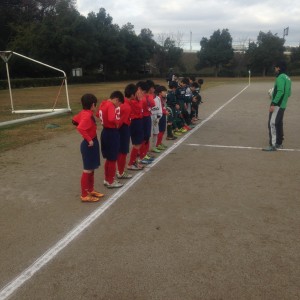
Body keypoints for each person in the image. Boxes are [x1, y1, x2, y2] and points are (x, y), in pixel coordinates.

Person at [72, 94, 104, 202]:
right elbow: (80, 128)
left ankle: (90, 189)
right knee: (87, 170)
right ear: (93, 105)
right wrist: (88, 139)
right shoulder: (87, 116)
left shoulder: (86, 113)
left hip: (92, 142)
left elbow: (74, 121)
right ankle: (84, 194)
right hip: (88, 144)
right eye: (96, 104)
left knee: (92, 168)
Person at [263, 61, 291, 151]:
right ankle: (279, 143)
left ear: (279, 68)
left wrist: (273, 103)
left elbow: (280, 91)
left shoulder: (280, 77)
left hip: (277, 105)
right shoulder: (288, 78)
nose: (275, 69)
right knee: (279, 123)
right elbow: (289, 93)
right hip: (283, 105)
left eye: (275, 67)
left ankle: (274, 145)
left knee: (272, 123)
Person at [98, 91, 125, 188]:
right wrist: (117, 121)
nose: (118, 106)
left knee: (109, 158)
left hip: (105, 131)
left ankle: (107, 179)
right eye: (119, 103)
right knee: (113, 158)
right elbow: (111, 118)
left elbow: (98, 115)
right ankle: (110, 181)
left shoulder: (103, 103)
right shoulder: (110, 105)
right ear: (117, 99)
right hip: (111, 132)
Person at [116, 84, 134, 179]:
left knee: (120, 151)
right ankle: (121, 171)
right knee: (123, 151)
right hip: (123, 128)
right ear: (132, 95)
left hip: (118, 129)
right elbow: (120, 122)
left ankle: (119, 170)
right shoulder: (126, 106)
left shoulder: (120, 103)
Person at [127, 83, 146, 170]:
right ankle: (131, 163)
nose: (139, 94)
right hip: (135, 122)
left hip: (136, 122)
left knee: (137, 143)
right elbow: (140, 108)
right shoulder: (133, 102)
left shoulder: (133, 101)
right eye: (137, 93)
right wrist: (141, 99)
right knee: (137, 144)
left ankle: (133, 161)